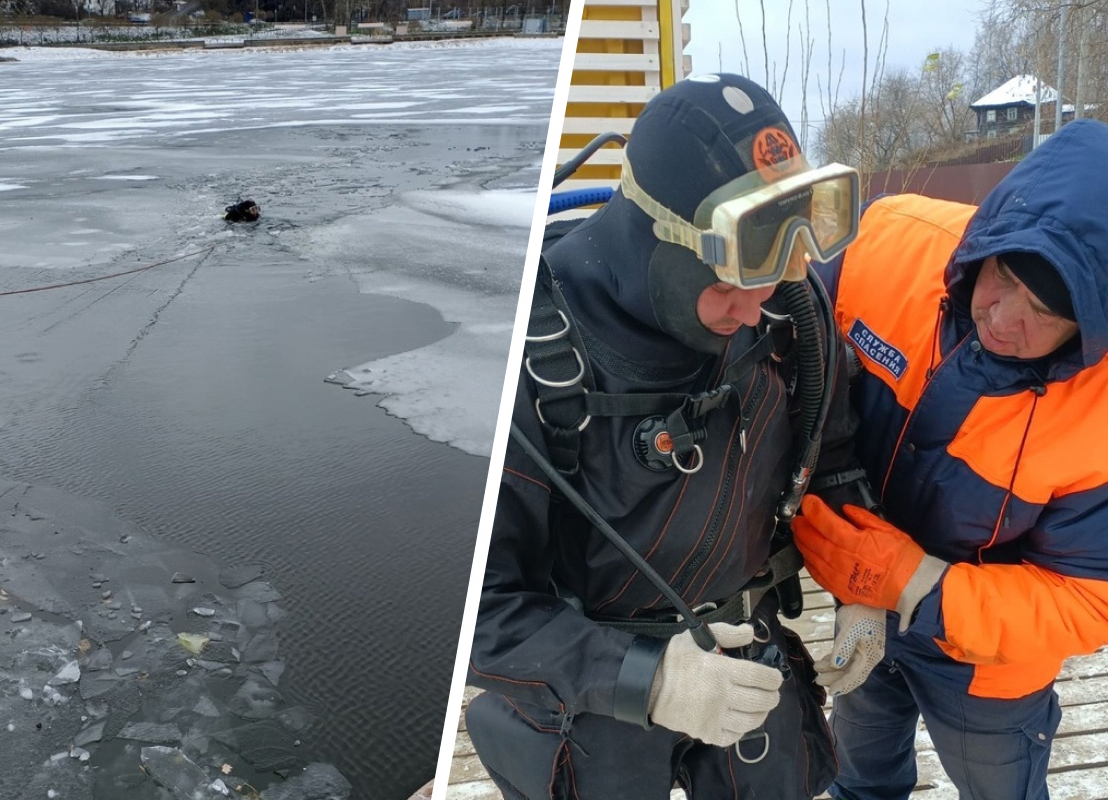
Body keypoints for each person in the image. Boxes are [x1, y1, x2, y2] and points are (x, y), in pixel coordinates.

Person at [465, 74, 872, 799]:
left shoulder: (788, 309)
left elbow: (833, 458)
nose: (754, 312)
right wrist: (647, 681)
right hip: (590, 697)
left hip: (750, 657)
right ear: (662, 240)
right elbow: (482, 612)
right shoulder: (528, 357)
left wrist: (862, 587)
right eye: (726, 288)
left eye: (776, 279)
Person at [790, 118, 1108, 800]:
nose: (1001, 317)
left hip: (990, 671)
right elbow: (788, 357)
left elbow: (1088, 599)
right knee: (860, 782)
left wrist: (912, 584)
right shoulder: (888, 243)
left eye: (1046, 312)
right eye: (1004, 275)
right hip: (859, 612)